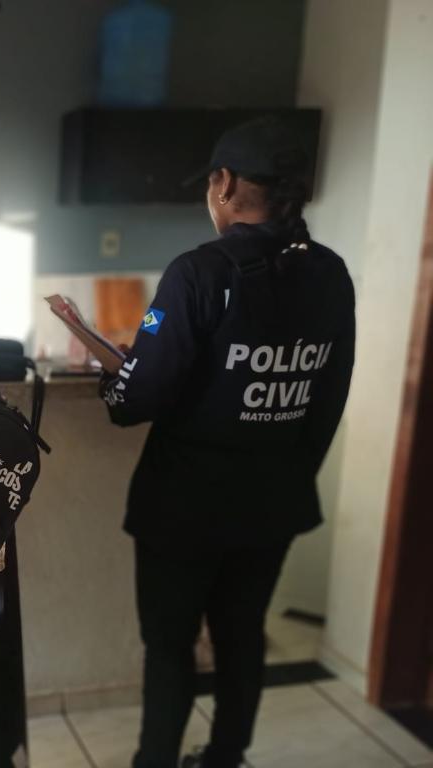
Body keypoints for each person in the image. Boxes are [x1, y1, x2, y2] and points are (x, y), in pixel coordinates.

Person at [99, 116, 355, 768]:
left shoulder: (199, 273)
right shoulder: (330, 273)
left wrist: (117, 386)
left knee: (170, 646)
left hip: (183, 508)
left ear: (225, 184)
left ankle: (156, 762)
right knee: (243, 638)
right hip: (273, 503)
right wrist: (288, 468)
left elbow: (138, 400)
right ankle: (226, 758)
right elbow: (329, 398)